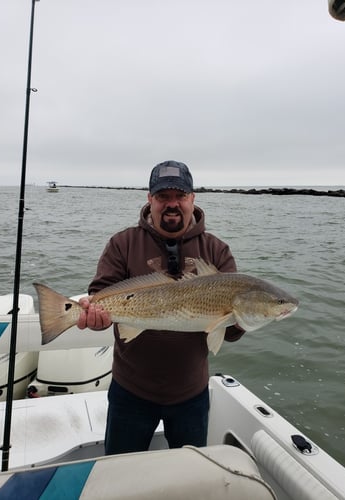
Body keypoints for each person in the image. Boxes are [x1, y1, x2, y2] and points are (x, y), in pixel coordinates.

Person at [77, 160, 245, 455]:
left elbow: (230, 334)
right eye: (163, 196)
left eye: (180, 196)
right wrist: (96, 313)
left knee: (188, 473)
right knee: (120, 471)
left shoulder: (217, 251)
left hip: (190, 393)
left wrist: (242, 318)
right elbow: (100, 293)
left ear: (193, 198)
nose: (172, 204)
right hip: (130, 390)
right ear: (149, 199)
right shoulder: (123, 243)